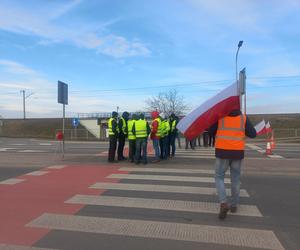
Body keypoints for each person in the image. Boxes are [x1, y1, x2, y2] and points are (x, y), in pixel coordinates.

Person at [210, 109, 256, 219]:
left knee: (219, 177)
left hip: (222, 152)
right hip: (237, 152)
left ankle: (223, 203)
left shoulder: (220, 116)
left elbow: (211, 131)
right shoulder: (243, 118)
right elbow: (253, 134)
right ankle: (234, 205)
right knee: (235, 179)